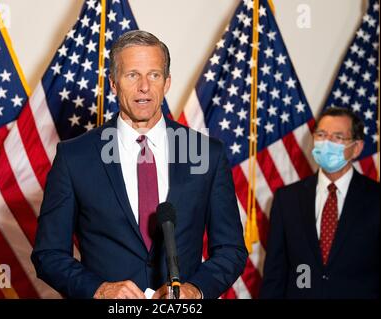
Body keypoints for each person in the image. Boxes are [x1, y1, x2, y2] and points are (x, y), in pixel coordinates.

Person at [31, 30, 247, 299]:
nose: (144, 86)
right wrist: (98, 290)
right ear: (113, 83)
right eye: (132, 75)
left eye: (154, 75)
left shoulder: (207, 154)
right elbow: (48, 253)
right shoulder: (74, 157)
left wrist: (196, 290)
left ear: (167, 83)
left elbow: (231, 249)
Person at [260, 107, 379, 299]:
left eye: (338, 137)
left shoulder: (375, 198)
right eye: (322, 135)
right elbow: (275, 272)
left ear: (356, 148)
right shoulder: (287, 199)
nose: (327, 143)